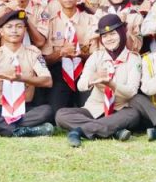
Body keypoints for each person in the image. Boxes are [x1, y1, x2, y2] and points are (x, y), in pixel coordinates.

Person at [55, 14, 142, 147]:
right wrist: (93, 77)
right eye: (104, 36)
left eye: (112, 34)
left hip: (119, 109)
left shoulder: (134, 59)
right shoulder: (96, 56)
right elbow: (81, 86)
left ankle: (79, 131)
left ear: (121, 33)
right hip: (94, 109)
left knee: (134, 115)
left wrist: (111, 84)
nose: (109, 39)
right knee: (61, 115)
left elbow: (131, 92)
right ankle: (114, 131)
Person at [0, 10, 55, 138]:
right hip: (0, 107)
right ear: (1, 32)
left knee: (46, 111)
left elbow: (48, 81)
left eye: (19, 26)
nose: (14, 31)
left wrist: (22, 78)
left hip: (25, 107)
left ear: (25, 30)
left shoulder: (33, 53)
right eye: (9, 27)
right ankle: (25, 130)